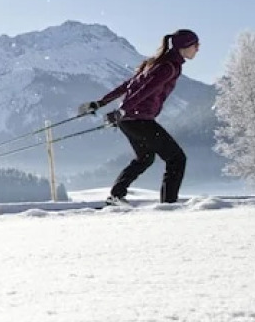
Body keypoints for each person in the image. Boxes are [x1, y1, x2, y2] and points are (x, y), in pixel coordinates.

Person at [79, 29, 200, 206]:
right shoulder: (169, 67)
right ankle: (169, 206)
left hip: (129, 120)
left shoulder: (157, 63)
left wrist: (101, 103)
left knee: (144, 158)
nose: (198, 49)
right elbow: (145, 90)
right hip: (139, 119)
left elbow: (129, 85)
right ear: (185, 46)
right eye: (196, 45)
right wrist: (123, 110)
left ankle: (116, 196)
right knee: (176, 159)